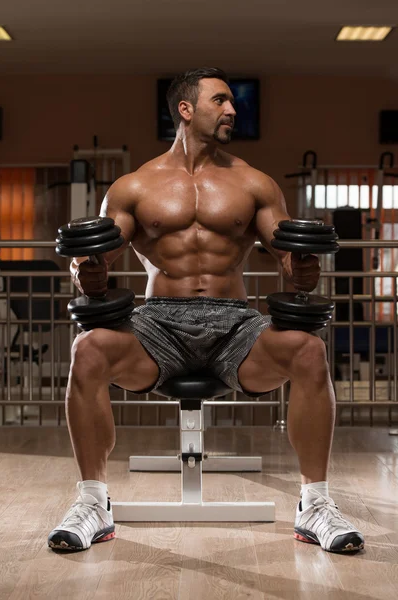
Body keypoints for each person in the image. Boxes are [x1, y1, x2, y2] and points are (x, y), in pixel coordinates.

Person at [48, 68, 364, 554]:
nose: (232, 110)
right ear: (186, 109)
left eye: (233, 102)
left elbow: (289, 262)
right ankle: (92, 501)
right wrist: (85, 271)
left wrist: (303, 268)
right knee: (88, 349)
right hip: (158, 322)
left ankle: (315, 504)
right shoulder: (135, 186)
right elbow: (94, 262)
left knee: (307, 350)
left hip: (234, 322)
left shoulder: (254, 183)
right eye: (221, 100)